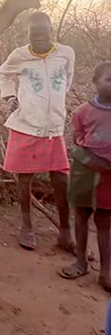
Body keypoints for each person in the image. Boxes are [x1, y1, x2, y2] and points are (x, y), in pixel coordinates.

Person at [0, 12, 76, 251]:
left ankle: (65, 232)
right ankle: (27, 226)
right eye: (34, 34)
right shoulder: (19, 56)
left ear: (52, 31)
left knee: (61, 177)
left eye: (44, 33)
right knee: (24, 177)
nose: (40, 38)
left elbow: (67, 80)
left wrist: (55, 102)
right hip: (25, 124)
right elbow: (3, 73)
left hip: (54, 126)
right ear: (27, 34)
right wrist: (10, 96)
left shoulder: (66, 54)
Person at [60, 62, 111, 291]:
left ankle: (106, 271)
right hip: (85, 172)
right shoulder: (82, 112)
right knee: (81, 216)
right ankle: (80, 261)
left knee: (105, 222)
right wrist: (92, 161)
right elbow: (77, 140)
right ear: (95, 82)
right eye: (108, 80)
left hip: (109, 176)